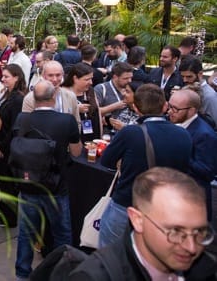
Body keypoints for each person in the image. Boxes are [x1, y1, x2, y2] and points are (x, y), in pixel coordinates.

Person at [70, 167, 217, 280]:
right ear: (137, 220)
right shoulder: (97, 276)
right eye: (175, 231)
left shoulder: (206, 267)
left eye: (199, 232)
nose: (191, 248)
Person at [98, 84, 193, 248]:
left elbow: (106, 161)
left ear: (135, 108)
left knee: (109, 257)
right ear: (165, 106)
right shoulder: (184, 134)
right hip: (163, 208)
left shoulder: (130, 132)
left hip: (126, 204)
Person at [13, 79, 82, 281]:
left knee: (26, 233)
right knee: (62, 234)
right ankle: (61, 274)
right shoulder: (67, 121)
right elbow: (76, 153)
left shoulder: (22, 119)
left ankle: (22, 274)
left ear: (34, 99)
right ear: (54, 97)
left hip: (28, 185)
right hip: (56, 188)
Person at [168, 89, 217, 220]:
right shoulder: (175, 123)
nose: (170, 111)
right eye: (169, 106)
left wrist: (180, 155)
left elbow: (207, 171)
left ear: (191, 110)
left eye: (175, 109)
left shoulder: (204, 134)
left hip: (192, 200)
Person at [0, 63, 28, 227]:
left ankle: (10, 218)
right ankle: (3, 208)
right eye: (2, 76)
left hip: (8, 147)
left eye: (6, 76)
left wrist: (2, 147)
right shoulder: (10, 95)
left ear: (17, 77)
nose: (2, 79)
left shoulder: (18, 99)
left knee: (9, 183)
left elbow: (15, 127)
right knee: (5, 183)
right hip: (3, 143)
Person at [22, 60, 81, 127]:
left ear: (63, 75)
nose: (55, 79)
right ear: (43, 76)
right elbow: (25, 124)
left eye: (58, 75)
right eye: (50, 75)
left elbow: (77, 123)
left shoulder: (70, 96)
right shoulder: (30, 98)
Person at [62, 62, 102, 142]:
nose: (91, 82)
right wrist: (76, 109)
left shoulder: (90, 91)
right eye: (87, 79)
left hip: (92, 138)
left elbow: (98, 114)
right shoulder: (63, 92)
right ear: (75, 78)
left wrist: (100, 137)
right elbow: (60, 115)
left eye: (91, 78)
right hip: (74, 139)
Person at [178, 56, 217, 124]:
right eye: (182, 76)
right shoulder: (185, 88)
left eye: (189, 77)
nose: (185, 80)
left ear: (200, 74)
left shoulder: (209, 97)